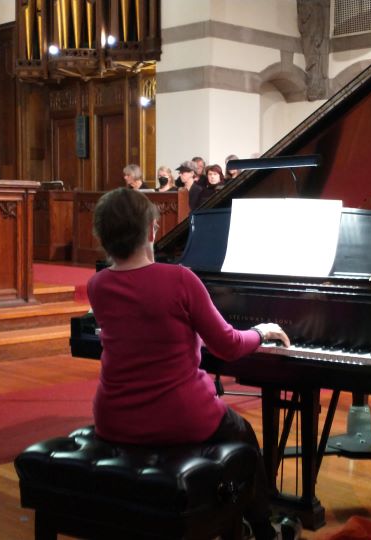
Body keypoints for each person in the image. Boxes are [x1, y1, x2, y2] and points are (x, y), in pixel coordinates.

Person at [87, 187, 293, 540]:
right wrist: (261, 332)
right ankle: (263, 527)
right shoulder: (180, 280)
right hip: (180, 417)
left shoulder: (98, 285)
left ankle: (227, 515)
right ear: (152, 229)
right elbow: (228, 345)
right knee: (243, 433)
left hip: (113, 419)